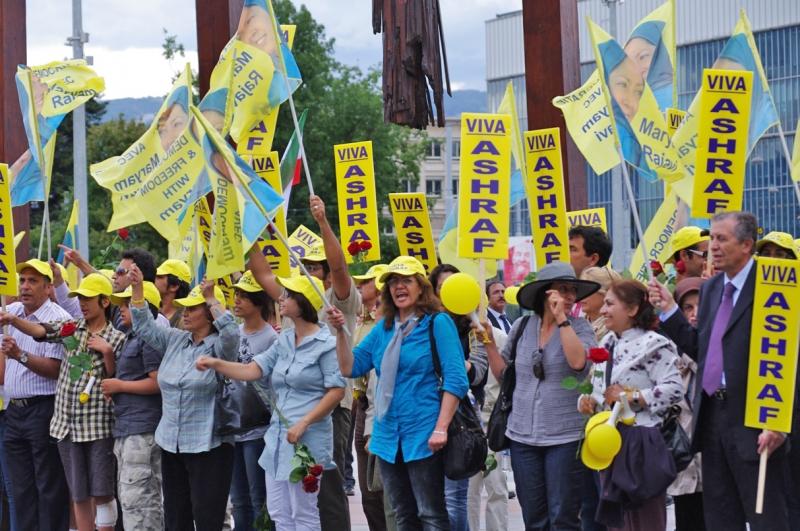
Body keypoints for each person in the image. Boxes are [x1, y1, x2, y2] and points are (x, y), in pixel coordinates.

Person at [648, 211, 789, 531]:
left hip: (757, 418)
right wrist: (669, 309)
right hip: (712, 416)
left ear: (746, 245)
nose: (713, 246)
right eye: (711, 238)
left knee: (767, 517)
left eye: (722, 239)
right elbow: (703, 350)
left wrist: (779, 422)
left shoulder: (774, 285)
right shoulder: (712, 289)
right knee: (720, 517)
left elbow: (787, 358)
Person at [196, 274, 346, 531]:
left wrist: (304, 423)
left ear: (304, 302)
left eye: (288, 295)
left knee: (304, 512)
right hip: (277, 439)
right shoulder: (285, 339)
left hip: (307, 440)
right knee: (278, 511)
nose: (281, 299)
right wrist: (216, 363)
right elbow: (253, 369)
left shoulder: (327, 344)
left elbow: (336, 391)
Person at [249, 195, 363, 531]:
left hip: (330, 408)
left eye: (313, 267)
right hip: (290, 412)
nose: (305, 272)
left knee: (325, 489)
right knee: (292, 498)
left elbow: (340, 268)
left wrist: (323, 221)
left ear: (325, 275)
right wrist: (247, 229)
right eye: (302, 266)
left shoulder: (338, 300)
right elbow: (261, 273)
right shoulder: (291, 301)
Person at [334, 256, 469, 529]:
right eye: (393, 281)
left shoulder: (438, 323)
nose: (399, 286)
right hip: (387, 437)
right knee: (402, 515)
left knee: (431, 514)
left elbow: (456, 380)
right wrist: (340, 331)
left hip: (424, 433)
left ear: (421, 287)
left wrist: (441, 428)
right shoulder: (383, 329)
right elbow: (350, 367)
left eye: (406, 280)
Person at [1, 272, 126, 531]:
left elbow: (115, 379)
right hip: (66, 425)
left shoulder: (116, 337)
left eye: (88, 298)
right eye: (80, 298)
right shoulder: (72, 329)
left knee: (101, 492)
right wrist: (13, 319)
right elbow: (41, 331)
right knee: (78, 492)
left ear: (104, 301)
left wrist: (107, 352)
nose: (82, 303)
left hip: (98, 425)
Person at [486, 261, 599, 530]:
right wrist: (488, 343)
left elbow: (579, 363)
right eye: (563, 289)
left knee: (563, 517)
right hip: (522, 437)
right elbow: (504, 375)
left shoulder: (579, 327)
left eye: (573, 290)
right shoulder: (523, 326)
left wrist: (562, 320)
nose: (570, 296)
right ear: (545, 293)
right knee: (534, 518)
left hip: (565, 436)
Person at [129, 266, 239, 531]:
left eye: (193, 308)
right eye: (184, 308)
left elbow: (232, 333)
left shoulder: (220, 347)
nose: (185, 313)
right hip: (172, 442)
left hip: (209, 445)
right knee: (176, 518)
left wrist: (211, 298)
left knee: (208, 519)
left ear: (209, 314)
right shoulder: (175, 339)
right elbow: (143, 326)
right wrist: (137, 288)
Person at [579, 280, 683, 531]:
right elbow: (600, 388)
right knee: (617, 521)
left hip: (641, 443)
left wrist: (632, 396)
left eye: (610, 304)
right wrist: (587, 399)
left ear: (633, 309)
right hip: (610, 442)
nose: (603, 310)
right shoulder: (606, 343)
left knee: (645, 519)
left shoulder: (654, 344)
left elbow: (674, 389)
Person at [0, 260, 71, 530]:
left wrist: (19, 355)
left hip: (44, 409)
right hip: (14, 411)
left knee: (48, 486)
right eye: (22, 280)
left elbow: (55, 369)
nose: (25, 286)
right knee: (20, 489)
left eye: (33, 281)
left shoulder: (58, 317)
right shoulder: (12, 310)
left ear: (48, 287)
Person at [102, 281, 165, 530]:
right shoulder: (131, 337)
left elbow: (157, 382)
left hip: (142, 429)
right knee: (131, 501)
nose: (121, 308)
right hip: (127, 427)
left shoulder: (148, 339)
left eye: (128, 304)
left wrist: (120, 386)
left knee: (140, 502)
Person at [430, 265, 489, 531]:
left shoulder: (475, 329)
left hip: (461, 421)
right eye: (441, 287)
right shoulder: (426, 325)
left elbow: (478, 373)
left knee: (454, 498)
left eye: (453, 285)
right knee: (431, 499)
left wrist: (456, 361)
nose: (447, 292)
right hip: (427, 414)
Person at [230, 271, 278, 531]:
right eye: (236, 294)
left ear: (259, 302)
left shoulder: (271, 338)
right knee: (238, 501)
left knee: (259, 497)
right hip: (232, 426)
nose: (236, 300)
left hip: (258, 428)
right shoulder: (233, 333)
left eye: (244, 296)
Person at [350, 264, 394, 531]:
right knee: (369, 489)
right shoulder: (361, 322)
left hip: (382, 413)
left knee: (387, 491)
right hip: (361, 404)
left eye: (366, 281)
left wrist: (371, 429)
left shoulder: (390, 329)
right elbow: (351, 365)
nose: (359, 285)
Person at [669, 278, 706, 531]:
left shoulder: (723, 345)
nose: (695, 314)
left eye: (701, 306)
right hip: (683, 461)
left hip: (714, 460)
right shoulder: (666, 350)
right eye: (688, 308)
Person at [467, 324, 509, 531]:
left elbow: (507, 377)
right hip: (464, 423)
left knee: (496, 486)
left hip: (491, 422)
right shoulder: (450, 332)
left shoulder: (498, 337)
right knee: (468, 490)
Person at [579, 266, 622, 341]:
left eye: (587, 290)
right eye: (580, 289)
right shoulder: (576, 324)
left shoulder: (617, 331)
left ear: (605, 293)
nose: (582, 294)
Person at [155, 259, 192, 328]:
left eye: (159, 277)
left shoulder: (186, 320)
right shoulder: (151, 309)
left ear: (174, 286)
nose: (153, 279)